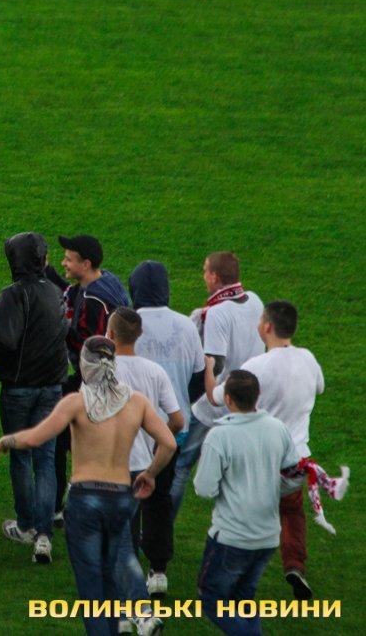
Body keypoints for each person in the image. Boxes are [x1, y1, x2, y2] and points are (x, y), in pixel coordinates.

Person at [0, 336, 175, 636]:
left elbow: (36, 437)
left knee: (91, 582)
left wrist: (6, 441)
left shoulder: (76, 402)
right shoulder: (137, 402)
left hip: (85, 498)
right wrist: (151, 473)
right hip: (120, 496)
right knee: (122, 557)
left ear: (85, 365)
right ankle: (139, 613)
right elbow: (168, 443)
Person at [202, 301, 324, 600]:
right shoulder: (308, 359)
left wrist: (208, 369)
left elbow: (216, 397)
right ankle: (294, 565)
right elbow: (319, 388)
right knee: (292, 511)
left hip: (261, 459)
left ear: (267, 327)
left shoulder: (256, 366)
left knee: (242, 515)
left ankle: (235, 577)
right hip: (297, 460)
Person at [0, 232, 68, 563]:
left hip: (18, 389)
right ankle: (44, 535)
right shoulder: (56, 292)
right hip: (52, 388)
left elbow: (4, 343)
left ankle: (26, 525)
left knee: (20, 456)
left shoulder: (13, 294)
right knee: (46, 458)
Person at [194, 370, 301, 634]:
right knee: (244, 599)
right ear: (258, 396)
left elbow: (204, 489)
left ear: (228, 399)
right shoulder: (277, 428)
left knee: (211, 599)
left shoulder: (219, 436)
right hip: (267, 537)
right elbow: (296, 475)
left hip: (231, 537)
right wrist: (272, 488)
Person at [127, 260, 205, 596]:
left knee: (130, 496)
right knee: (159, 497)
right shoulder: (186, 325)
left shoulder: (128, 323)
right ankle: (158, 570)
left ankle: (128, 566)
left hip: (133, 428)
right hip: (172, 429)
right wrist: (178, 404)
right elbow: (199, 379)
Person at [173, 252, 264, 518]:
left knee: (180, 465)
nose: (203, 277)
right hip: (248, 401)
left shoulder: (217, 314)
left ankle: (161, 531)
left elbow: (217, 364)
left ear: (214, 277)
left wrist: (198, 387)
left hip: (215, 406)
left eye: (205, 271)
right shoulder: (255, 300)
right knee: (238, 472)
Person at [46, 234, 130, 523]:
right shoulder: (104, 281)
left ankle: (62, 505)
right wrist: (48, 272)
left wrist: (52, 326)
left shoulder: (95, 300)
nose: (64, 262)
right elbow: (70, 294)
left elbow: (88, 344)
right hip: (99, 379)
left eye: (69, 259)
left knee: (62, 439)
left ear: (86, 264)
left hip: (92, 381)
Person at [107, 307, 184, 604]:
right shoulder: (155, 371)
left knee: (122, 533)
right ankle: (156, 573)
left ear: (110, 334)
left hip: (115, 463)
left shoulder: (103, 372)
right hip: (150, 460)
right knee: (157, 510)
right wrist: (157, 440)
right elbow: (177, 421)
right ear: (139, 334)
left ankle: (127, 598)